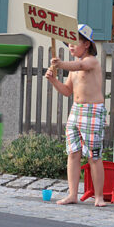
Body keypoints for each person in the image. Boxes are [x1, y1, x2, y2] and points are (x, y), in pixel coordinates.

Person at [45, 23, 107, 206]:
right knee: (73, 153)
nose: (70, 46)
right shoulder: (74, 69)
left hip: (93, 111)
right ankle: (72, 194)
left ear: (87, 44)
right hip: (76, 111)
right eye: (68, 43)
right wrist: (53, 79)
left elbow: (79, 64)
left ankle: (99, 197)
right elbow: (66, 91)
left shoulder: (91, 61)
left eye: (74, 42)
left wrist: (61, 64)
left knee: (94, 156)